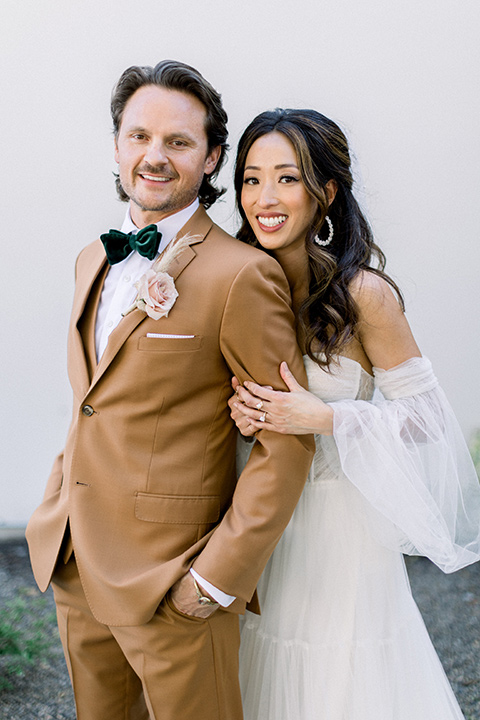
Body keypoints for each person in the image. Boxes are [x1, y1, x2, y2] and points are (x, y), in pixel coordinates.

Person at [25, 64, 315, 720]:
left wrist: (213, 579)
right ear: (118, 145)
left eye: (178, 142)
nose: (154, 156)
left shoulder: (242, 276)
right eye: (138, 136)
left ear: (212, 155)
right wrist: (55, 509)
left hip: (173, 581)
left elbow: (287, 440)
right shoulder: (91, 259)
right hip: (75, 561)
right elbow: (92, 404)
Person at [229, 108, 480, 720]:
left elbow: (429, 420)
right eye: (252, 178)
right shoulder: (232, 280)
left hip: (336, 527)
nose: (265, 198)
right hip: (252, 514)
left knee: (337, 675)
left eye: (287, 179)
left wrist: (325, 418)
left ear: (327, 193)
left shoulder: (363, 294)